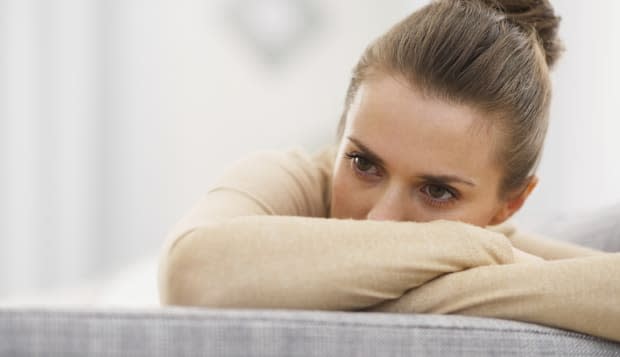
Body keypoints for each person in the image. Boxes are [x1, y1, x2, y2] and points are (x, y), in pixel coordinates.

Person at [158, 0, 620, 342]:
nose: (380, 220)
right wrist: (462, 246)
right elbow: (191, 275)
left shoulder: (493, 244)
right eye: (363, 163)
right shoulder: (292, 179)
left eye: (437, 192)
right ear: (341, 133)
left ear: (510, 205)